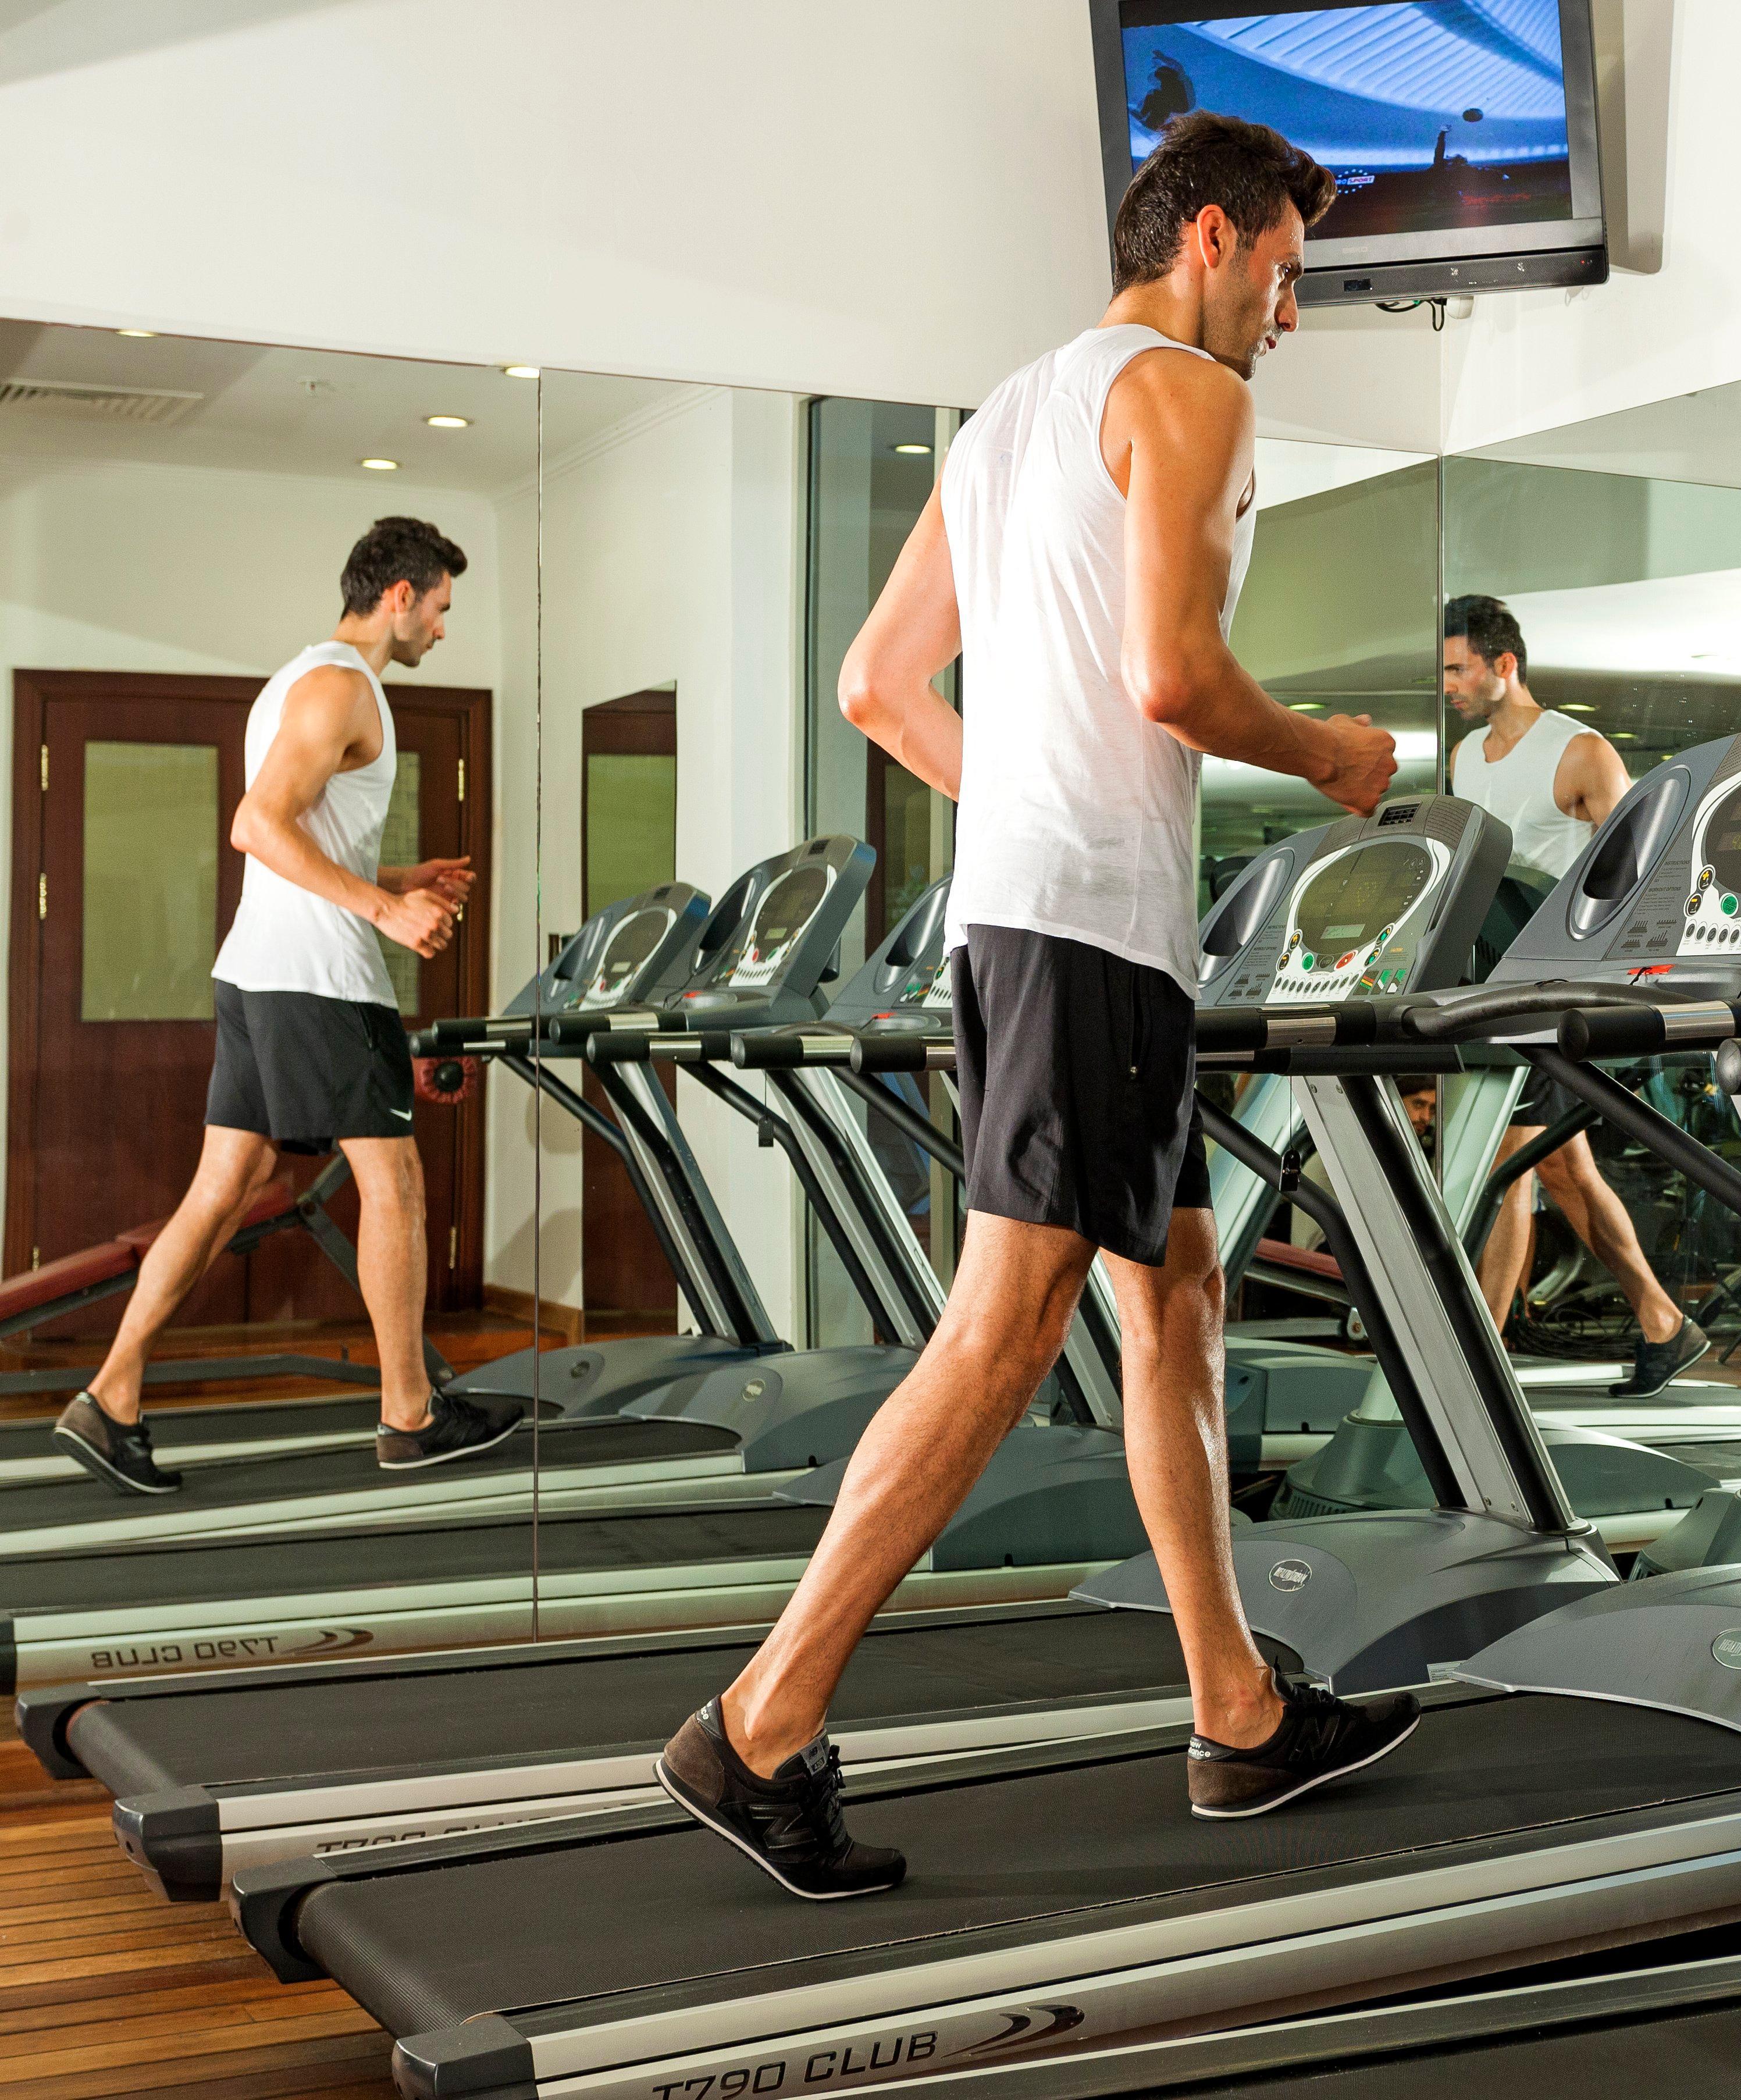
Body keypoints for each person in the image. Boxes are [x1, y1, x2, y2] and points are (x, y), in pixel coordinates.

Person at [658, 112, 1410, 1900]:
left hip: (1024, 920)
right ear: (1213, 238)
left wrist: (1021, 796)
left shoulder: (1008, 413)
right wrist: (1336, 759)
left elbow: (872, 684)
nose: (1289, 316)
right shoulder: (1186, 391)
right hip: (1091, 933)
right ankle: (760, 1720)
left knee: (1178, 1287)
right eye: (1289, 274)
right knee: (1004, 1334)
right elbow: (1174, 675)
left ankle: (1235, 1705)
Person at [52, 517, 503, 1496]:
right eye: (440, 606)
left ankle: (111, 1393)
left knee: (224, 1189)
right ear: (400, 595)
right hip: (319, 978)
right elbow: (255, 824)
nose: (441, 627)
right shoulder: (344, 685)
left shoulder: (298, 678)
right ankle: (410, 1411)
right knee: (395, 1183)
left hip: (258, 971)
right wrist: (385, 906)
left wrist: (392, 868)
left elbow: (299, 827)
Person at [1442, 595, 1707, 1397]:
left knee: (1508, 1164)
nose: (1449, 684)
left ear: (1504, 665)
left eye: (1459, 668)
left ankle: (1480, 1355)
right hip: (1492, 990)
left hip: (1558, 995)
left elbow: (1640, 879)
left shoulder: (1581, 752)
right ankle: (1662, 1320)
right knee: (1556, 1171)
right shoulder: (1464, 757)